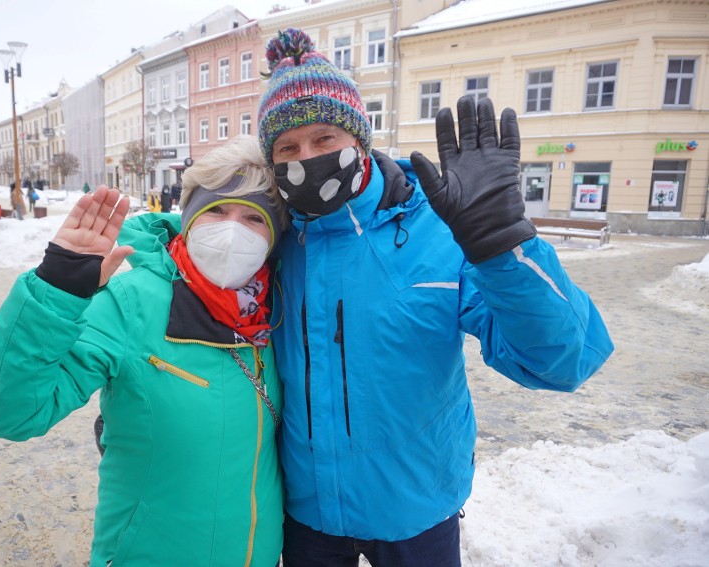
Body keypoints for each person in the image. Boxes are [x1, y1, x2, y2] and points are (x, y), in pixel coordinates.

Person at [257, 28, 614, 566]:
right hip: (307, 516)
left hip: (417, 512)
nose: (307, 158)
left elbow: (561, 362)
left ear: (360, 138)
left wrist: (502, 244)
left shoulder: (441, 229)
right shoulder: (269, 242)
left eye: (325, 138)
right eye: (288, 147)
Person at [0, 135, 287, 566]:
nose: (232, 231)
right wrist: (56, 290)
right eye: (218, 211)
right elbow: (9, 413)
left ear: (273, 236)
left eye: (253, 218)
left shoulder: (279, 314)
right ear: (190, 218)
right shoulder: (130, 302)